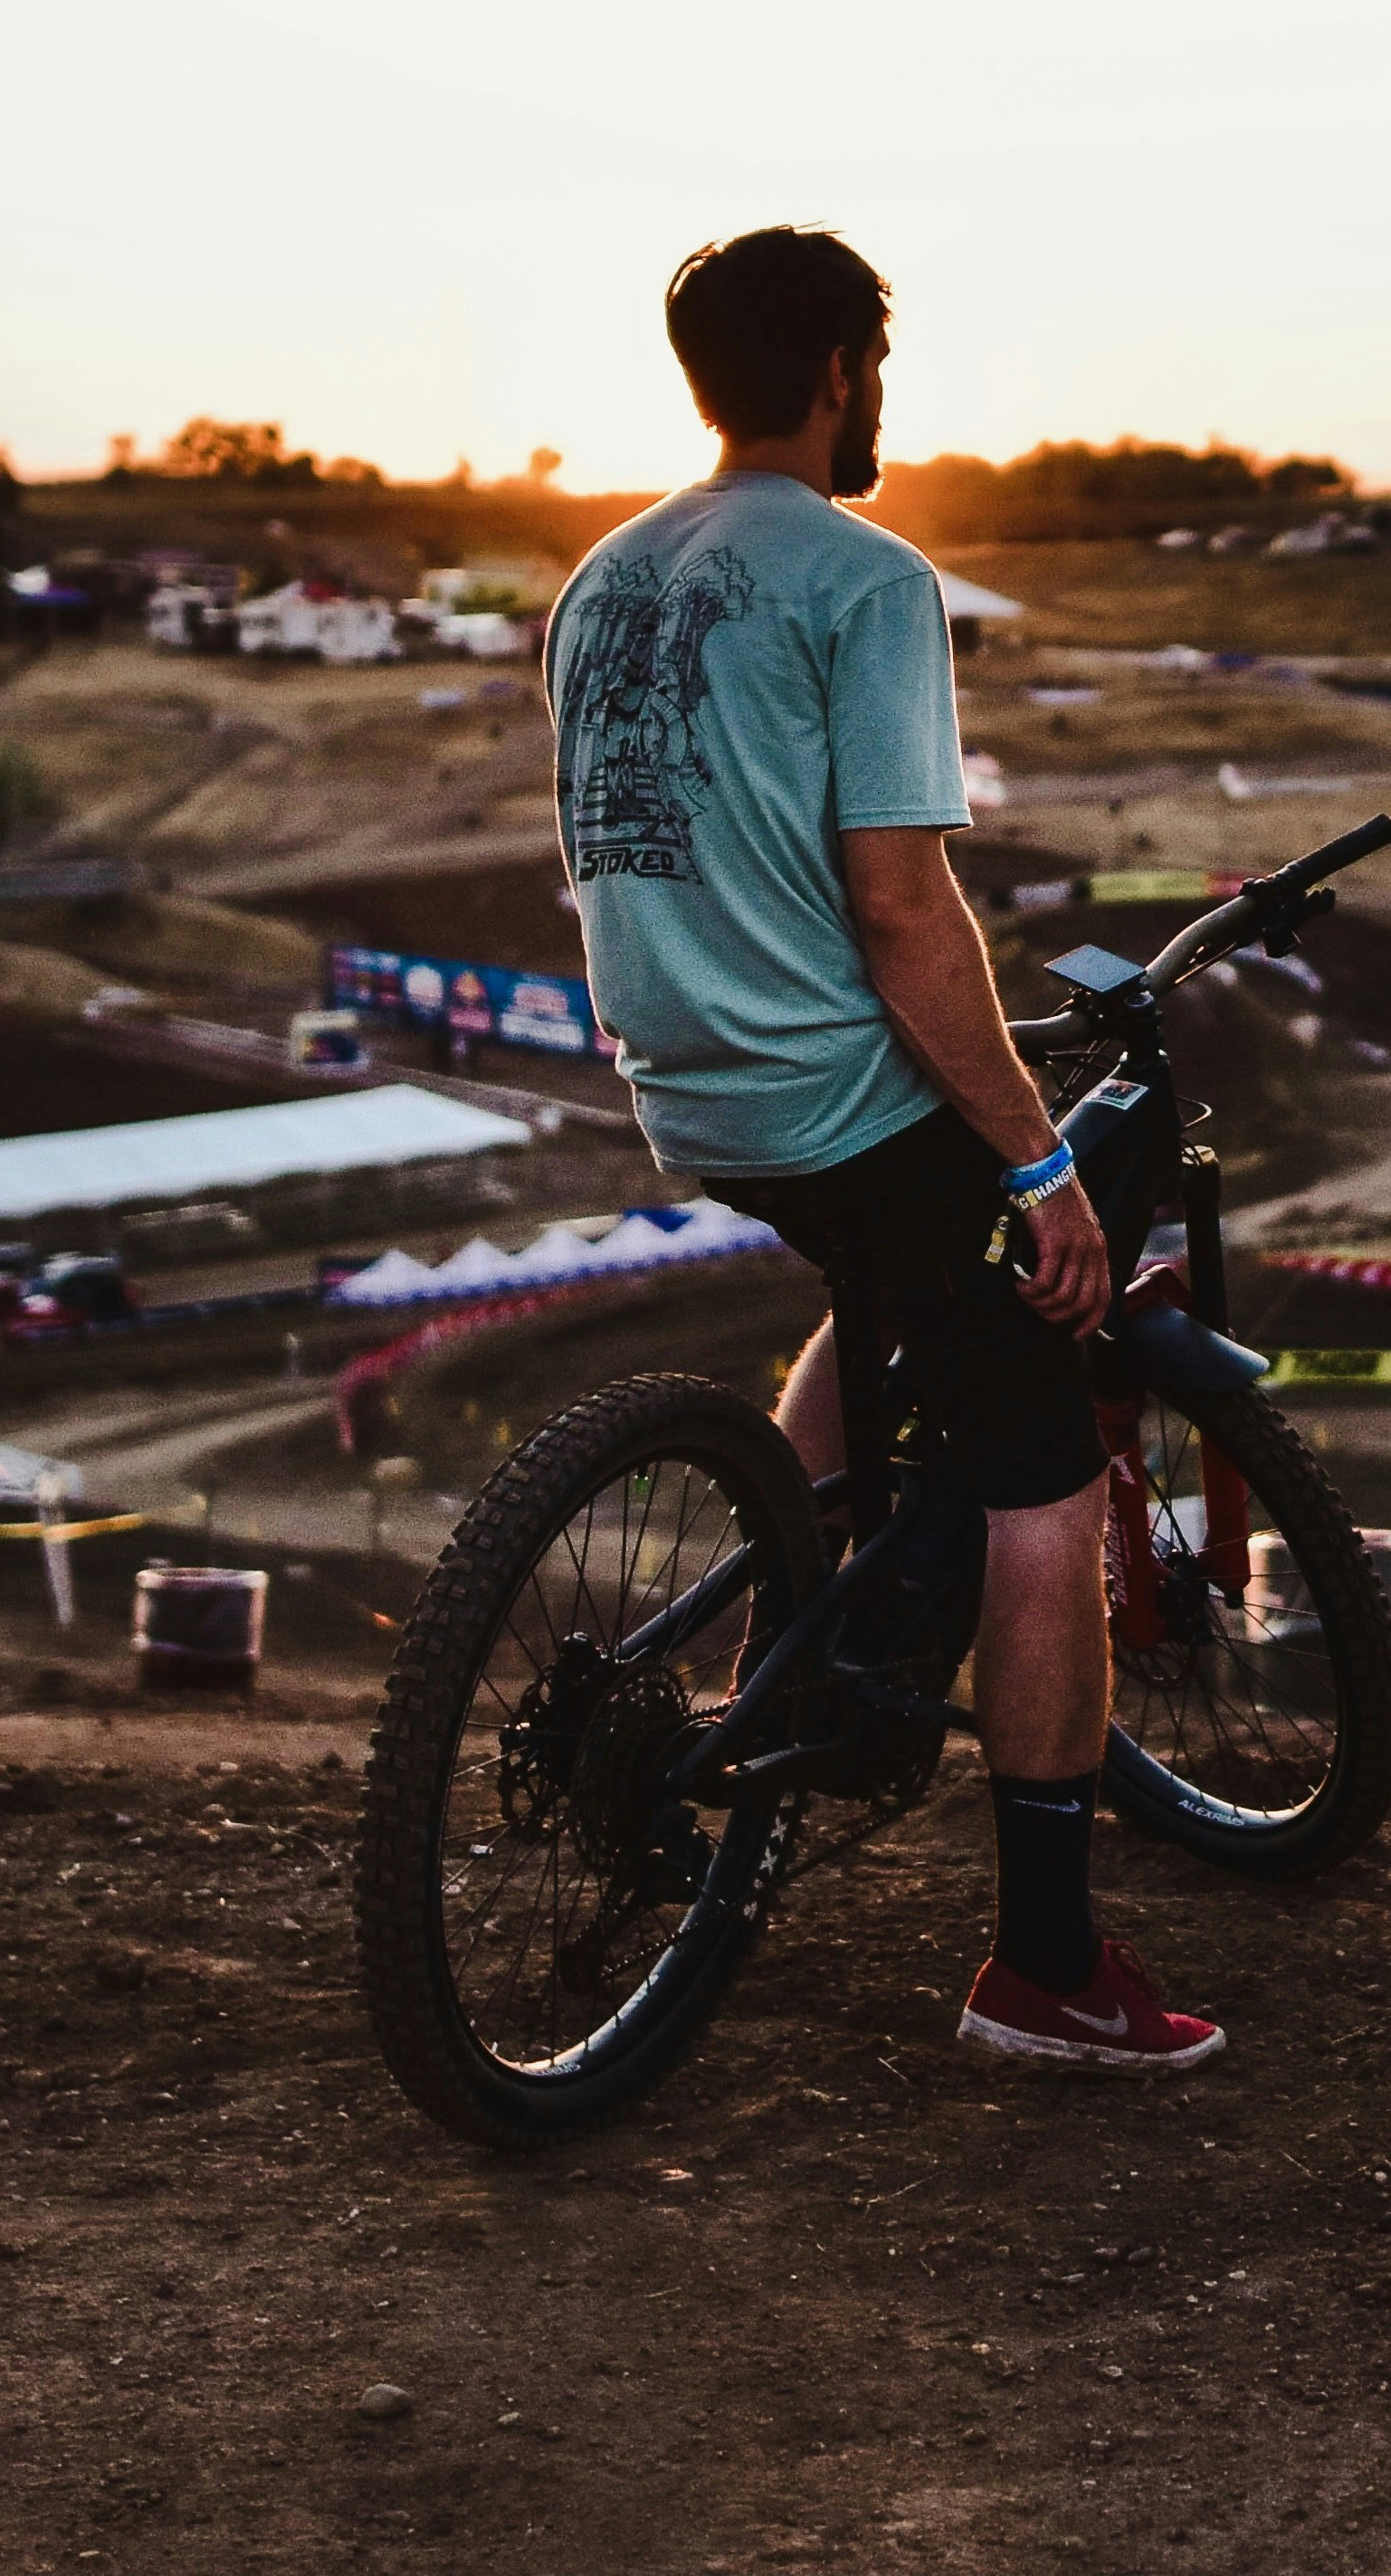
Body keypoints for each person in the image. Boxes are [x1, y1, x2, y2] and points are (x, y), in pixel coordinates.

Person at [548, 224, 1219, 2074]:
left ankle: (799, 1638)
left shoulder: (601, 580)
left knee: (890, 1278)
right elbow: (905, 910)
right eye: (877, 366)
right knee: (1041, 1479)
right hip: (842, 1091)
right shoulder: (865, 580)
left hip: (687, 1085)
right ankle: (1046, 1961)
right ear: (843, 365)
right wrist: (1036, 1164)